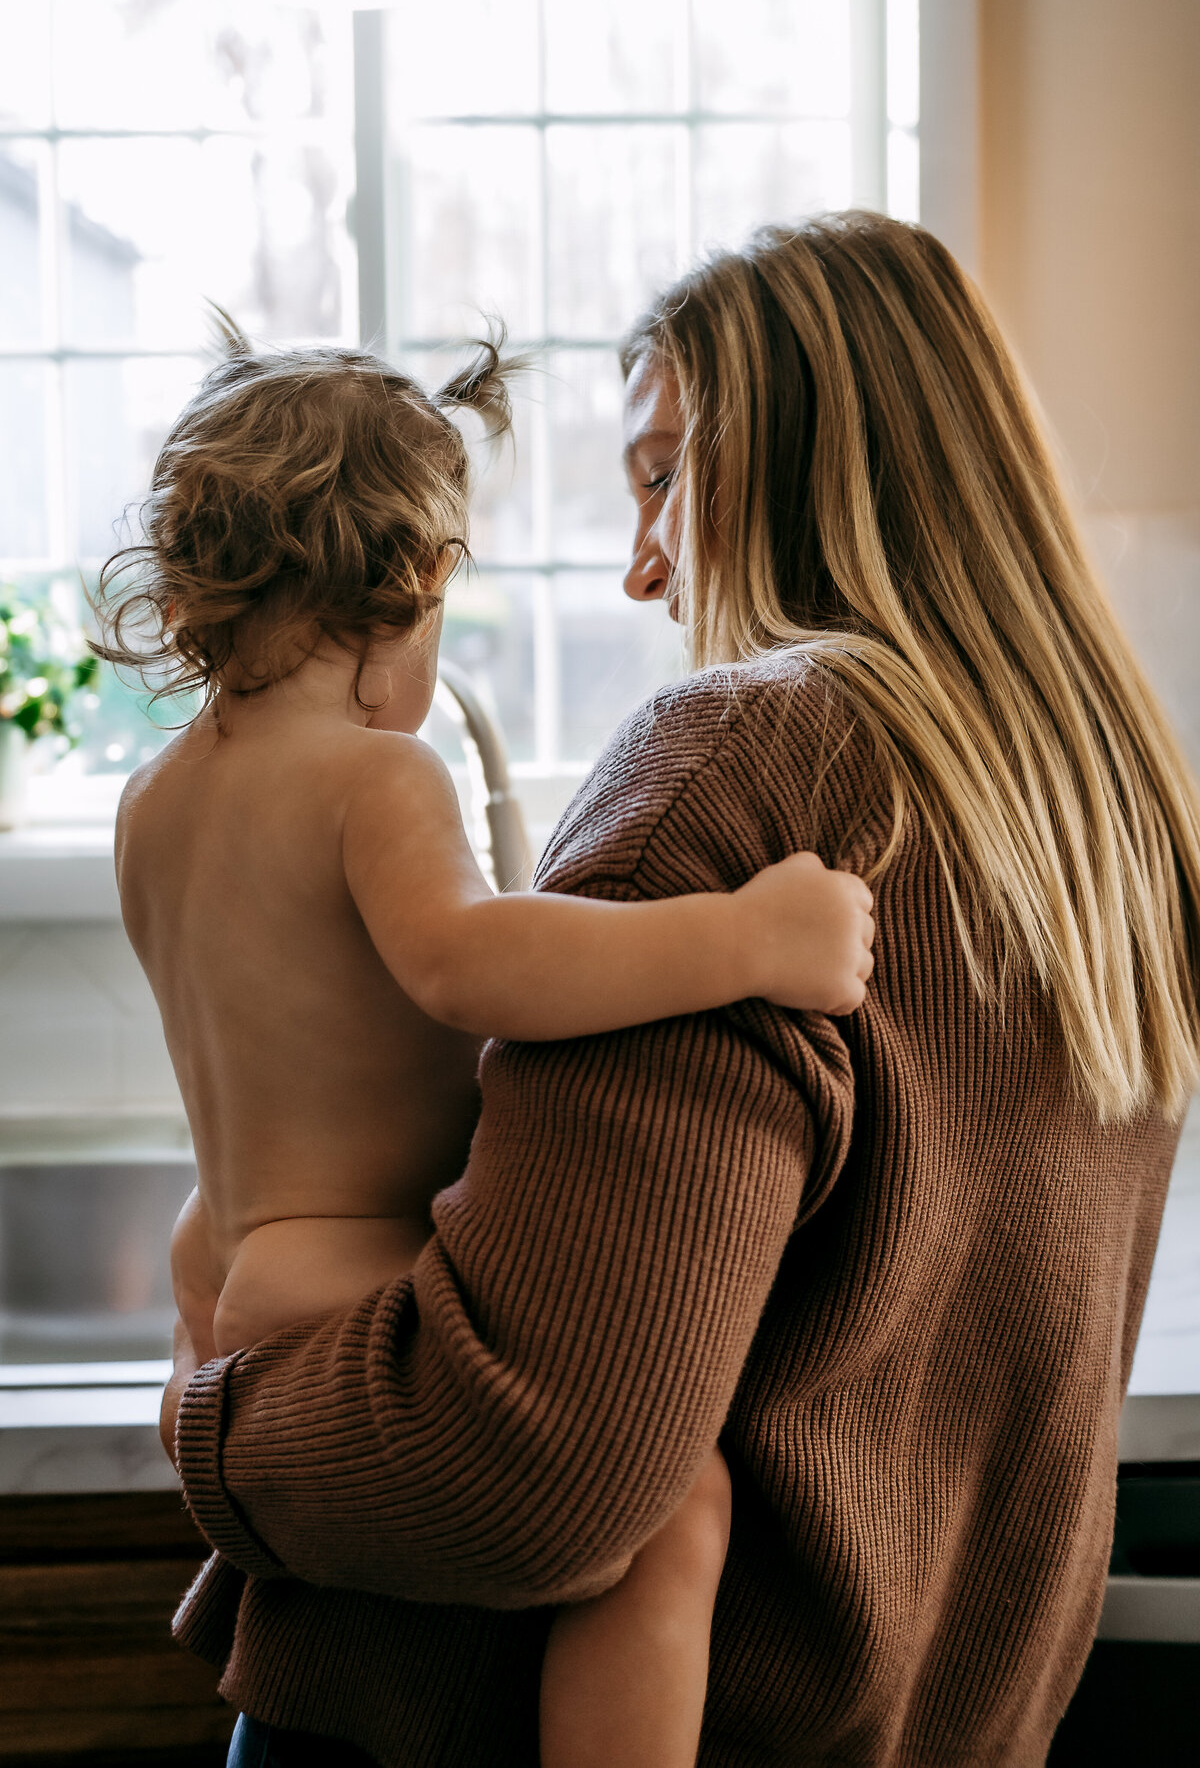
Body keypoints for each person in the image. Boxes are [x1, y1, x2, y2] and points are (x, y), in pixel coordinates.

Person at [162, 213, 1200, 1768]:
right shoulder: (1114, 816)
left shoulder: (746, 757)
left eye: (662, 475)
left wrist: (211, 1427)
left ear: (800, 450)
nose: (646, 570)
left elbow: (530, 1473)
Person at [93, 322, 874, 1768]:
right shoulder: (378, 774)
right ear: (413, 583)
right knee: (676, 1506)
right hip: (356, 1251)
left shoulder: (156, 799)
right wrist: (754, 940)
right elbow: (470, 966)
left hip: (231, 1259)